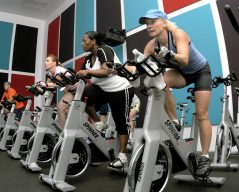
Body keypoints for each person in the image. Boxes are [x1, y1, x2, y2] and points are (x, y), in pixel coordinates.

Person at [139, 9, 213, 177]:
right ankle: (174, 121)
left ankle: (205, 157)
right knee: (161, 83)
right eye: (147, 23)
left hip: (201, 72)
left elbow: (184, 59)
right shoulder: (151, 46)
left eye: (152, 22)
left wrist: (169, 54)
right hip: (182, 73)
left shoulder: (177, 34)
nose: (149, 26)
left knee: (201, 114)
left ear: (164, 22)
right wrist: (121, 69)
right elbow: (141, 65)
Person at [77, 31, 134, 168]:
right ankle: (99, 122)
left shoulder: (105, 50)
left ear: (93, 41)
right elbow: (80, 75)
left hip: (120, 89)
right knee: (81, 97)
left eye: (84, 40)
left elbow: (106, 71)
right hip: (102, 90)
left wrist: (88, 72)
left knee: (121, 122)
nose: (82, 43)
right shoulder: (88, 59)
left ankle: (122, 156)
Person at [44, 54, 77, 129]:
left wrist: (45, 84)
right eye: (45, 61)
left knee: (74, 111)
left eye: (47, 61)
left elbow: (59, 84)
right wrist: (40, 85)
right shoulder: (50, 73)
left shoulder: (59, 70)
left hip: (80, 89)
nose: (45, 62)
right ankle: (63, 133)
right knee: (60, 108)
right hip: (71, 91)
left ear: (54, 63)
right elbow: (49, 83)